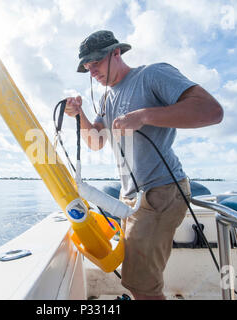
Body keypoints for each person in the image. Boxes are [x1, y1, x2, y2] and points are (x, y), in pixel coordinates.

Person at [64, 30, 223, 300]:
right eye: (87, 67)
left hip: (161, 190)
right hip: (133, 198)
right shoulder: (106, 98)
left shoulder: (152, 74)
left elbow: (211, 111)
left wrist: (145, 115)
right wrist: (79, 114)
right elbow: (96, 141)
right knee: (136, 280)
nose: (92, 72)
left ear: (117, 52)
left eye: (96, 63)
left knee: (141, 285)